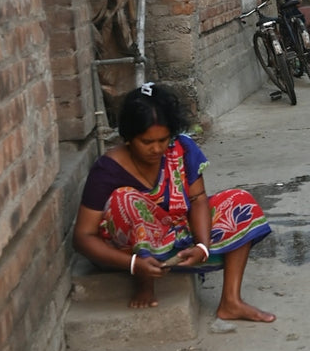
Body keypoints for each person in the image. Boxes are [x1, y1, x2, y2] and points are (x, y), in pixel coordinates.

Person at [73, 82, 275, 321]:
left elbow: (198, 199)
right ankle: (144, 281)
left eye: (163, 140)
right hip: (130, 253)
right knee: (125, 199)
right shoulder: (108, 168)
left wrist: (201, 246)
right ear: (128, 138)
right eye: (146, 142)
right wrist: (133, 263)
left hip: (178, 238)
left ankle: (231, 301)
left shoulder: (181, 148)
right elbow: (83, 237)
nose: (157, 149)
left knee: (239, 202)